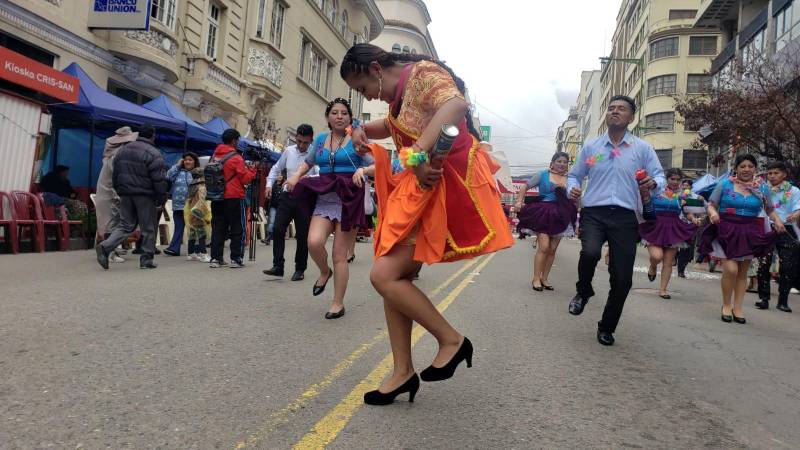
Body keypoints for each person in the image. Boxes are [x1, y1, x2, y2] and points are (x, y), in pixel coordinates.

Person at [340, 43, 513, 405]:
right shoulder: (398, 98)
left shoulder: (423, 74)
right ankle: (402, 371)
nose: (366, 95)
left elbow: (454, 106)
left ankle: (451, 340)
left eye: (362, 88)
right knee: (392, 280)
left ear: (375, 69)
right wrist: (361, 130)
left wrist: (417, 151)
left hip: (446, 186)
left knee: (384, 275)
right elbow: (391, 124)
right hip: (424, 192)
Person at [566, 95, 665, 346]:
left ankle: (607, 326)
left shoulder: (642, 149)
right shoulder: (593, 149)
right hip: (595, 212)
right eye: (611, 108)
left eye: (621, 109)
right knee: (589, 253)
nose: (615, 112)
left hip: (625, 216)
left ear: (631, 117)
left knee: (622, 279)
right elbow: (576, 175)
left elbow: (659, 177)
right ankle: (583, 291)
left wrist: (654, 183)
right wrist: (573, 189)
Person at [285, 98, 375, 319]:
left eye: (344, 113)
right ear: (327, 117)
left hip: (349, 199)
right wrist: (296, 175)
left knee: (339, 255)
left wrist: (363, 172)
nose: (339, 116)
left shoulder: (357, 139)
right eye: (334, 112)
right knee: (313, 242)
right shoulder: (321, 139)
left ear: (350, 117)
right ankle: (324, 272)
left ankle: (337, 303)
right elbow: (309, 161)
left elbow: (376, 164)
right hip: (326, 197)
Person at [699, 154, 785, 324]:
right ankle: (726, 304)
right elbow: (711, 204)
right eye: (743, 166)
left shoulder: (762, 188)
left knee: (743, 272)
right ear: (736, 168)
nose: (747, 169)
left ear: (755, 169)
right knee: (731, 269)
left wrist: (778, 221)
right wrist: (714, 213)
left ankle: (737, 307)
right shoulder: (724, 184)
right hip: (726, 229)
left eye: (750, 166)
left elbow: (769, 210)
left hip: (749, 231)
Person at [95, 124, 167, 270]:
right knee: (148, 227)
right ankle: (146, 259)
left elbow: (115, 175)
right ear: (153, 135)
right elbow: (158, 178)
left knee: (125, 225)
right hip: (145, 194)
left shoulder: (122, 151)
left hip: (125, 194)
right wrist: (161, 196)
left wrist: (120, 190)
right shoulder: (154, 153)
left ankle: (105, 246)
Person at [514, 152, 577, 291]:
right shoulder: (543, 174)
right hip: (543, 213)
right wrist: (519, 201)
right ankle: (536, 278)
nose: (562, 164)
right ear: (553, 163)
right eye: (559, 161)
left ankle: (545, 278)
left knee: (553, 250)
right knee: (544, 247)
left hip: (562, 215)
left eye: (565, 162)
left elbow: (575, 197)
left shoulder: (571, 179)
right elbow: (525, 186)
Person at [262, 124, 318, 281]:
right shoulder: (289, 151)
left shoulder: (316, 154)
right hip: (287, 196)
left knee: (302, 235)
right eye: (299, 141)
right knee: (277, 229)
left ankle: (300, 268)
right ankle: (278, 266)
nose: (301, 145)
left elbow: (322, 176)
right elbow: (275, 169)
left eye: (305, 143)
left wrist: (310, 178)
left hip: (305, 199)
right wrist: (268, 186)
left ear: (311, 140)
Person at [638, 168, 702, 298]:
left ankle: (663, 290)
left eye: (678, 179)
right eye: (672, 179)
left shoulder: (683, 195)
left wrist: (693, 219)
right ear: (667, 179)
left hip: (674, 228)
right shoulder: (657, 190)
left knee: (668, 261)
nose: (675, 182)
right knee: (657, 256)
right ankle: (653, 266)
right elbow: (644, 202)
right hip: (655, 226)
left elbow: (687, 211)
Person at [755, 161, 799, 313]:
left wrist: (795, 214)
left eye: (776, 173)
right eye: (770, 173)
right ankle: (763, 298)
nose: (772, 176)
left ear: (784, 174)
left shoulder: (793, 191)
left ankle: (783, 301)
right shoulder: (763, 190)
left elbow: (798, 208)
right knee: (763, 264)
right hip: (767, 228)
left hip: (786, 229)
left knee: (787, 266)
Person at [209, 129, 256, 268]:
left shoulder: (215, 155)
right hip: (234, 196)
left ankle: (215, 259)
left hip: (217, 196)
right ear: (234, 140)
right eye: (238, 140)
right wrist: (252, 170)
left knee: (218, 227)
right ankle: (236, 258)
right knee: (237, 227)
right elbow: (246, 179)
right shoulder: (236, 157)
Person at [95, 126, 139, 262]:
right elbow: (117, 178)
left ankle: (109, 249)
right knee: (111, 223)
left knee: (111, 222)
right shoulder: (117, 156)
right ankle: (109, 253)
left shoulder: (111, 155)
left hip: (107, 192)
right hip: (111, 193)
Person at [164, 152, 199, 256]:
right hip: (178, 205)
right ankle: (174, 249)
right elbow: (168, 176)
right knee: (179, 226)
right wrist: (178, 165)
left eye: (190, 160)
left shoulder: (197, 172)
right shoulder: (177, 171)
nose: (187, 161)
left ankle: (195, 250)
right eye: (185, 159)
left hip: (192, 205)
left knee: (193, 227)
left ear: (195, 162)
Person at [185, 167, 212, 262]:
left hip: (190, 213)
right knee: (202, 234)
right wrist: (205, 216)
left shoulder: (192, 186)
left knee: (192, 234)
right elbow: (202, 202)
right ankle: (203, 253)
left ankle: (191, 253)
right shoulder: (202, 187)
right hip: (199, 212)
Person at [676, 179, 697, 277]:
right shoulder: (676, 196)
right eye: (683, 185)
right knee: (677, 246)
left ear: (691, 187)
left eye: (687, 186)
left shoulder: (695, 197)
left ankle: (682, 268)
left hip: (690, 225)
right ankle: (677, 264)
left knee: (687, 250)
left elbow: (700, 210)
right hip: (679, 224)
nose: (685, 187)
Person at [264, 172, 285, 246]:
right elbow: (268, 195)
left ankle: (274, 238)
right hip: (273, 206)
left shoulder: (284, 185)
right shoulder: (273, 185)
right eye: (278, 175)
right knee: (271, 222)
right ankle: (268, 238)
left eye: (281, 175)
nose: (279, 176)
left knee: (278, 224)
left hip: (281, 207)